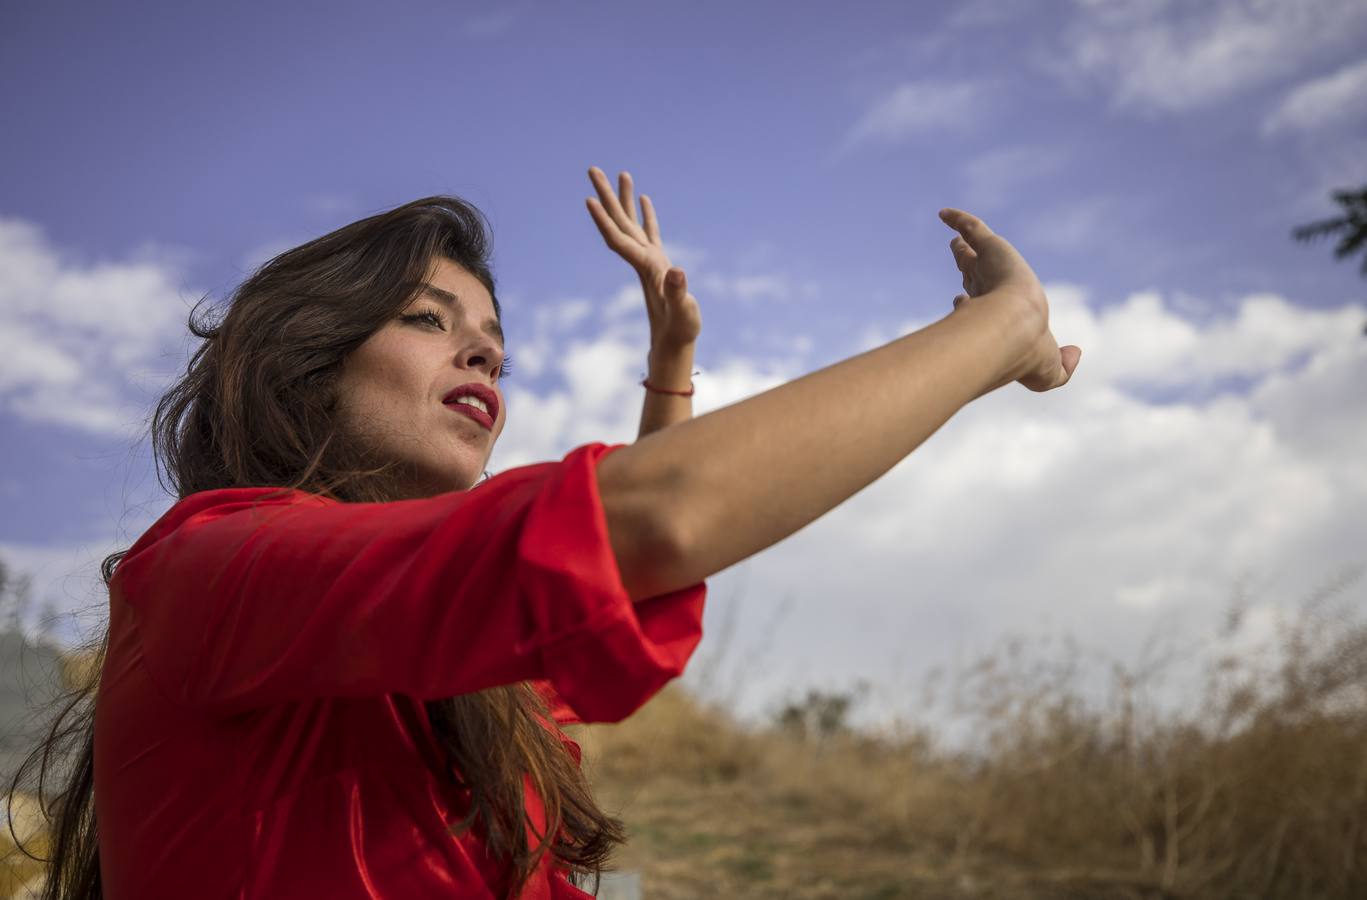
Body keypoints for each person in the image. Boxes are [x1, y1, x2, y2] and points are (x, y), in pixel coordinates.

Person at [5, 166, 1080, 900]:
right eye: (428, 321)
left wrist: (669, 376)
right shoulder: (209, 569)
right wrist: (997, 332)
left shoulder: (423, 665)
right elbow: (652, 520)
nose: (479, 357)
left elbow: (601, 608)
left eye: (494, 349)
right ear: (304, 358)